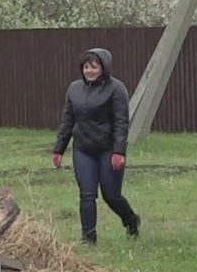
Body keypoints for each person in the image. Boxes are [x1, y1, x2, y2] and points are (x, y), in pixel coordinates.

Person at [52, 47, 141, 244]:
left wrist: (119, 151)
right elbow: (67, 120)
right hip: (83, 149)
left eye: (94, 67)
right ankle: (88, 238)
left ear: (104, 67)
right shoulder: (74, 89)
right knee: (87, 194)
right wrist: (59, 148)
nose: (89, 71)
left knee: (111, 195)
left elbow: (121, 122)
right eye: (86, 67)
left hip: (108, 149)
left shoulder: (116, 89)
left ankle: (131, 220)